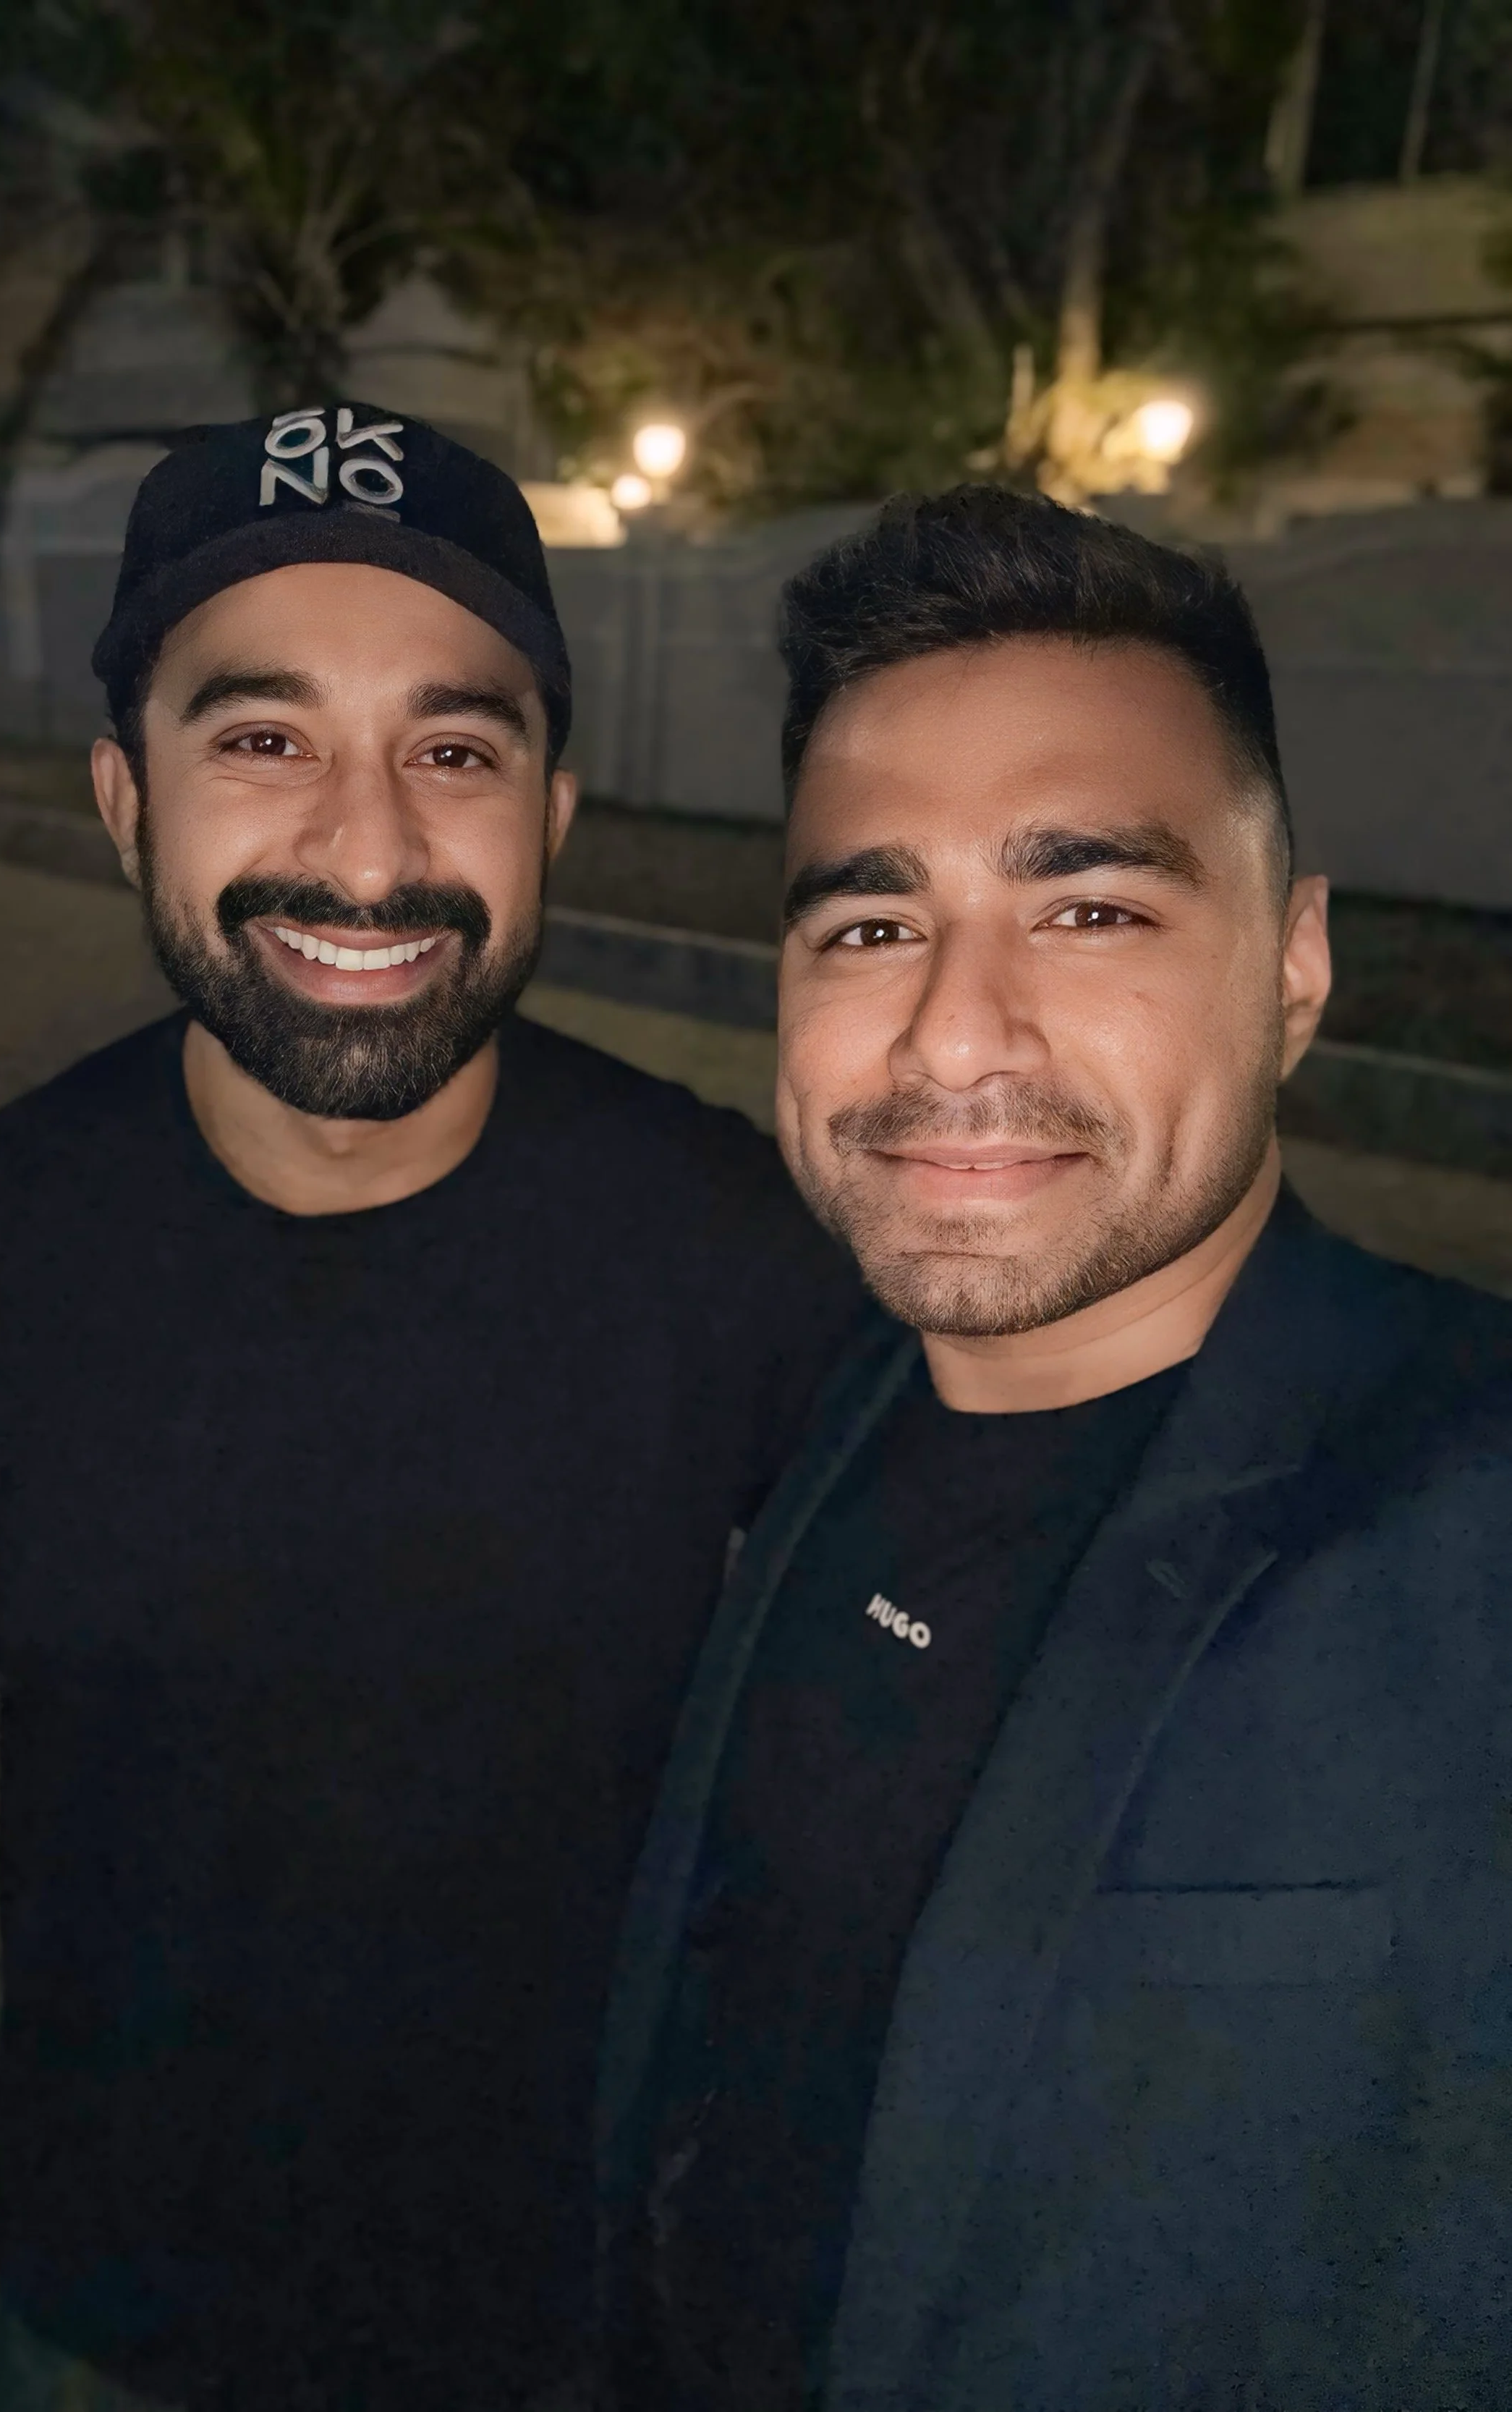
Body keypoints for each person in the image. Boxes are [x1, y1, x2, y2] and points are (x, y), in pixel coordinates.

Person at [0, 407, 864, 2412]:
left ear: (551, 816)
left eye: (454, 745)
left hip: (610, 2324)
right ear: (121, 799)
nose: (368, 843)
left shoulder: (751, 1258)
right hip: (109, 2319)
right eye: (260, 738)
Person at [599, 485, 1512, 2412]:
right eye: (871, 916)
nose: (947, 1032)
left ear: (1291, 965)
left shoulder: (1466, 1523)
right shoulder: (823, 1403)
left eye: (1085, 904)